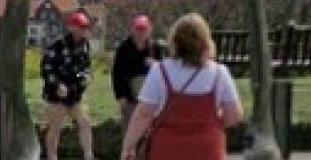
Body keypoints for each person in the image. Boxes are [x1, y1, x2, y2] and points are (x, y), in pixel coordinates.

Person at [120, 13, 243, 160]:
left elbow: (143, 114)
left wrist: (129, 146)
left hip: (167, 148)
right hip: (207, 148)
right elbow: (234, 115)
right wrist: (209, 125)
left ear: (175, 41)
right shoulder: (219, 73)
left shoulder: (160, 71)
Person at [42, 11, 95, 160]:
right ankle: (52, 156)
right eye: (81, 27)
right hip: (56, 97)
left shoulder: (85, 46)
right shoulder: (57, 46)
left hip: (75, 96)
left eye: (85, 27)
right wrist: (58, 85)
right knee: (55, 128)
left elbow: (87, 68)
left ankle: (88, 155)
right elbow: (47, 69)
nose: (84, 30)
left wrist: (86, 78)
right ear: (72, 28)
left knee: (85, 123)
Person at [112, 15, 167, 130]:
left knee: (151, 129)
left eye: (144, 29)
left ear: (149, 30)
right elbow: (116, 73)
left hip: (151, 98)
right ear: (132, 29)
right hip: (129, 97)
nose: (141, 33)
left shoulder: (156, 48)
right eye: (138, 29)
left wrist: (156, 65)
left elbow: (166, 71)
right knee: (130, 128)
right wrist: (120, 95)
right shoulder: (123, 48)